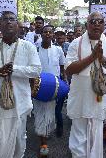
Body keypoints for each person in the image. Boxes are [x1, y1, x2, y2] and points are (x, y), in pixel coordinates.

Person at [0, 11, 41, 158]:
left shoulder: (28, 47)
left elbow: (36, 70)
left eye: (12, 19)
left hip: (19, 104)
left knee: (18, 143)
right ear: (0, 26)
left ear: (17, 24)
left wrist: (13, 70)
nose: (9, 22)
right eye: (5, 20)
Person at [65, 12, 106, 158]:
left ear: (105, 25)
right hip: (80, 101)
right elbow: (69, 69)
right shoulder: (76, 43)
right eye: (93, 21)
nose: (96, 24)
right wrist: (92, 57)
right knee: (78, 142)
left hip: (99, 101)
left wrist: (102, 58)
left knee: (96, 140)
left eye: (100, 21)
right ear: (87, 25)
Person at [33, 24, 66, 156]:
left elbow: (62, 68)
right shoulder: (35, 49)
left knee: (51, 112)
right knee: (40, 111)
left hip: (54, 87)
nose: (47, 34)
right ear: (41, 35)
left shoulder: (58, 50)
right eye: (45, 32)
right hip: (38, 87)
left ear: (53, 35)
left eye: (50, 32)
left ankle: (45, 132)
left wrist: (65, 81)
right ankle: (43, 142)